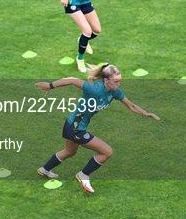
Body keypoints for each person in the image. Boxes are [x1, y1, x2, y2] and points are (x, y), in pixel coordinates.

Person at [36, 63, 160, 193]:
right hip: (75, 127)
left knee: (69, 152)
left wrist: (146, 113)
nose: (119, 84)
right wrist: (49, 86)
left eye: (120, 81)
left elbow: (131, 105)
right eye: (116, 81)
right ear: (106, 80)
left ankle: (44, 170)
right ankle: (83, 175)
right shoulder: (94, 89)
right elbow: (72, 80)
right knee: (107, 152)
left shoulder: (115, 92)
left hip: (72, 124)